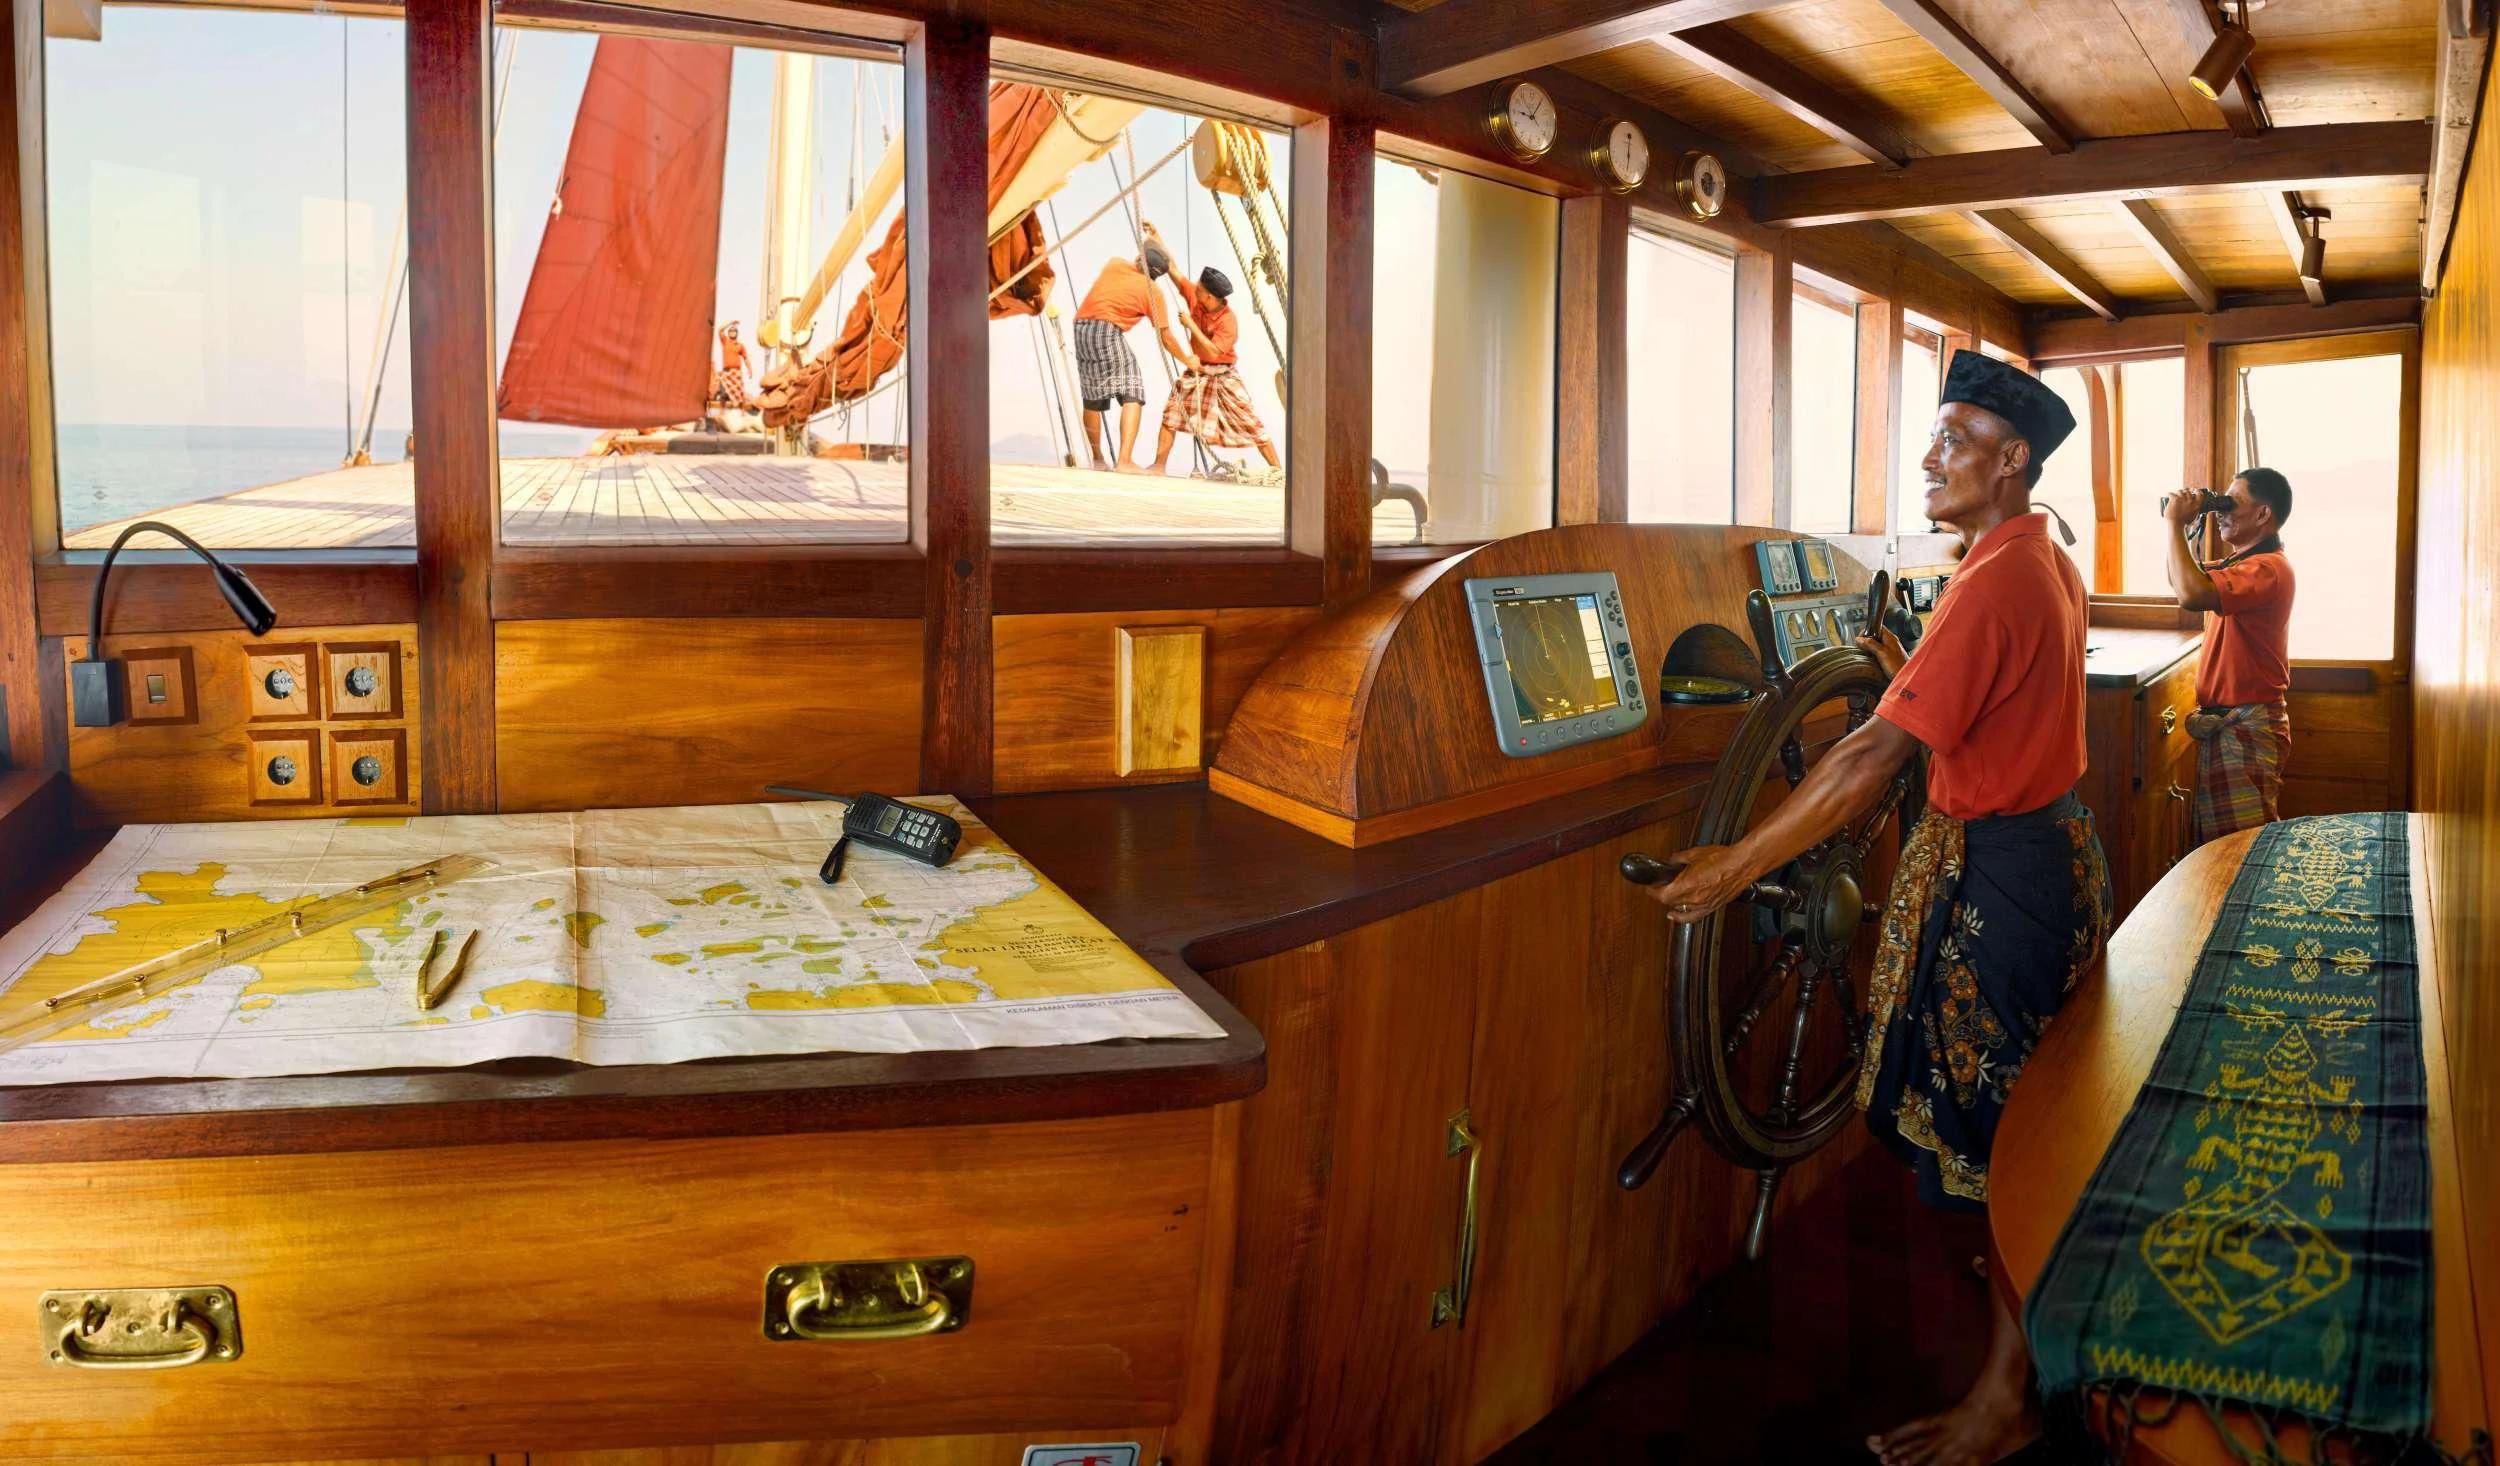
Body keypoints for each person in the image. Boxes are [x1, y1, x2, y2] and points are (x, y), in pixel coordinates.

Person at [1646, 351, 2111, 1466]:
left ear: (2011, 461)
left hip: (2000, 880)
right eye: (1934, 436)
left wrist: (1731, 864)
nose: (1928, 456)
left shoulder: (1989, 580)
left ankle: (2008, 1395)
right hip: (2048, 855)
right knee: (2024, 1116)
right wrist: (1913, 663)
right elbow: (1976, 699)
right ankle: (2019, 1286)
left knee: (2002, 1139)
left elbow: (1866, 757)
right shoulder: (2038, 556)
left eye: (1954, 440)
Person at [2163, 468, 2297, 847]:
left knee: (2241, 846)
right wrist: (2187, 526)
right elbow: (2179, 579)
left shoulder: (2267, 569)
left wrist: (2173, 522)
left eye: (2230, 504)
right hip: (2231, 723)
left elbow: (2191, 595)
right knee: (2221, 844)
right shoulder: (2240, 564)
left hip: (2247, 725)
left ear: (2262, 515)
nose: (2221, 511)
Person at [1071, 226, 1192, 472]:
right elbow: (1166, 338)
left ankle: (1097, 459)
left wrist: (1153, 238)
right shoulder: (1154, 293)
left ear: (1140, 259)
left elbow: (1141, 254)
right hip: (1106, 329)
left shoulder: (1114, 264)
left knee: (1093, 396)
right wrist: (1188, 360)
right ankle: (1124, 460)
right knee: (1132, 389)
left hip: (1081, 328)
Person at [1151, 262, 1281, 483]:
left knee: (1251, 422)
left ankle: (1278, 471)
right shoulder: (1197, 298)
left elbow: (1214, 350)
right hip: (1198, 371)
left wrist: (1191, 326)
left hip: (1224, 375)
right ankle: (1158, 465)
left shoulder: (1228, 322)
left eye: (1200, 289)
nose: (1195, 290)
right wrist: (1156, 237)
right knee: (1172, 413)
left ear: (1210, 297)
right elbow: (1174, 271)